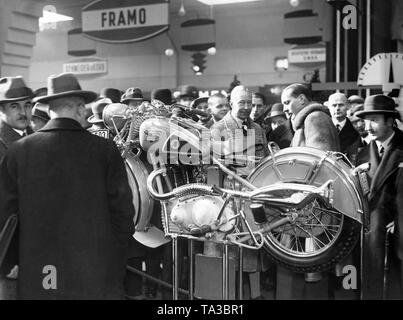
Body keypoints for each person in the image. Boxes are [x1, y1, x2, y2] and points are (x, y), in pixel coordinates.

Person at [0, 73, 135, 300]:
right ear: (81, 109)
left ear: (48, 109)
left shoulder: (19, 151)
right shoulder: (105, 150)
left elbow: (5, 214)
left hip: (41, 271)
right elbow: (123, 213)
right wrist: (114, 258)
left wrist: (13, 260)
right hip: (94, 269)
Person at [279, 83, 340, 300]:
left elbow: (319, 160)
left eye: (288, 102)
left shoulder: (313, 119)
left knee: (311, 263)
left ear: (302, 99)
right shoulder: (309, 120)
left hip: (311, 203)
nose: (285, 108)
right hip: (309, 202)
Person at [211, 85, 269, 300]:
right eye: (241, 102)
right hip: (228, 197)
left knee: (253, 244)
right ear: (231, 103)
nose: (246, 107)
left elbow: (263, 159)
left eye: (249, 103)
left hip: (253, 193)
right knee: (228, 247)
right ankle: (227, 297)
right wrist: (244, 162)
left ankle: (254, 295)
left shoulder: (258, 128)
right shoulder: (218, 128)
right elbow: (214, 161)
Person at [355, 94, 403, 299]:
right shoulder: (363, 153)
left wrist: (397, 222)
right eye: (366, 120)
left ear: (391, 121)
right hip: (372, 229)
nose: (368, 126)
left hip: (399, 231)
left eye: (374, 120)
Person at [0, 76, 34, 300]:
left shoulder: (36, 138)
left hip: (38, 248)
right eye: (15, 106)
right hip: (10, 252)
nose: (23, 112)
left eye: (27, 105)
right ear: (2, 110)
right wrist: (11, 258)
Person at [327, 93, 360, 161]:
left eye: (341, 105)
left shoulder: (356, 129)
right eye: (334, 105)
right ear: (328, 107)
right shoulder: (323, 127)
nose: (337, 108)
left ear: (348, 106)